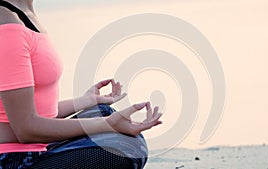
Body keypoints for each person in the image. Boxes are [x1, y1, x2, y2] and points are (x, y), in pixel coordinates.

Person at [0, 0, 162, 168]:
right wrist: (109, 124)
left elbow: (38, 114)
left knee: (103, 112)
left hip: (40, 148)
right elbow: (26, 129)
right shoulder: (7, 25)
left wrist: (85, 102)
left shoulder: (25, 16)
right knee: (124, 149)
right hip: (14, 160)